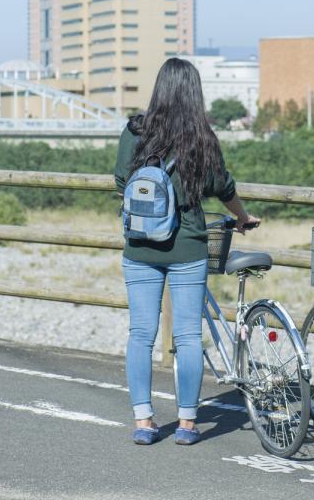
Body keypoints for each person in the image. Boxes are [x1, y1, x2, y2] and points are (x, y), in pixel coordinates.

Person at [114, 58, 259, 446]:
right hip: (188, 246)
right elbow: (222, 186)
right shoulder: (201, 137)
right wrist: (242, 217)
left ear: (159, 87)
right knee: (189, 336)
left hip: (140, 247)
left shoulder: (135, 131)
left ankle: (144, 422)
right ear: (195, 92)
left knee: (141, 334)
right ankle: (187, 423)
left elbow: (119, 181)